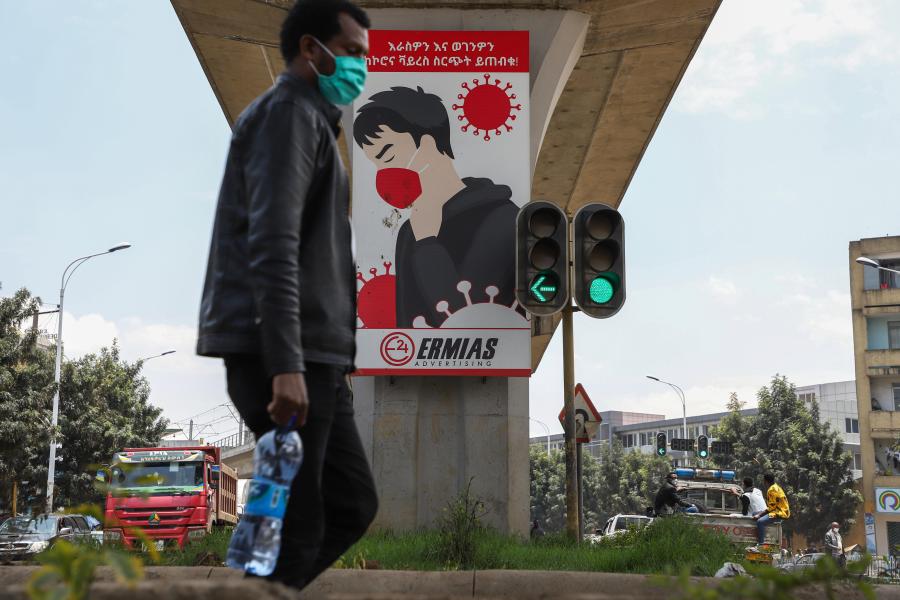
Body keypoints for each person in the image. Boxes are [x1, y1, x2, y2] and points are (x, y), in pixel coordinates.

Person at [196, 0, 377, 590]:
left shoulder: (314, 123)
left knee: (352, 504)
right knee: (300, 525)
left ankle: (254, 591)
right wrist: (286, 365)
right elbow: (273, 245)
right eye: (350, 52)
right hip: (286, 354)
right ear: (310, 48)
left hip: (317, 356)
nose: (359, 67)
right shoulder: (288, 117)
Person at [353, 86, 521, 327]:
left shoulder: (502, 217)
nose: (383, 172)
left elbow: (468, 320)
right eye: (375, 164)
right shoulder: (410, 230)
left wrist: (428, 243)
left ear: (428, 144)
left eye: (388, 156)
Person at [752, 473, 790, 547]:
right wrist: (758, 514)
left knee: (760, 522)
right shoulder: (776, 486)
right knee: (754, 514)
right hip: (776, 510)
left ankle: (761, 544)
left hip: (779, 513)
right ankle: (759, 535)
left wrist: (759, 515)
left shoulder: (771, 490)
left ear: (766, 481)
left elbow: (771, 508)